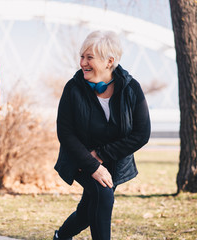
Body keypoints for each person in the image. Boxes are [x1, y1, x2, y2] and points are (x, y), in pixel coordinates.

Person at [53, 30, 150, 240]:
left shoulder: (131, 88)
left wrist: (102, 154)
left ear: (109, 62)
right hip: (79, 159)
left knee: (89, 211)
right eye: (82, 56)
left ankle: (61, 237)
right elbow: (65, 133)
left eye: (89, 57)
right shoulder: (73, 89)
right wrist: (92, 163)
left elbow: (141, 134)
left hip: (114, 162)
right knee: (103, 195)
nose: (82, 63)